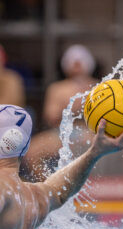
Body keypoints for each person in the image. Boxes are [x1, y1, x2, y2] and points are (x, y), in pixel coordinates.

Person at [24, 45, 97, 180]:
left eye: (80, 63)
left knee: (95, 141)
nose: (77, 67)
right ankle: (49, 187)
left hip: (89, 132)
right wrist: (77, 107)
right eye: (74, 63)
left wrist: (71, 106)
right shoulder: (56, 88)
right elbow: (51, 117)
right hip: (62, 133)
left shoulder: (99, 87)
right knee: (31, 152)